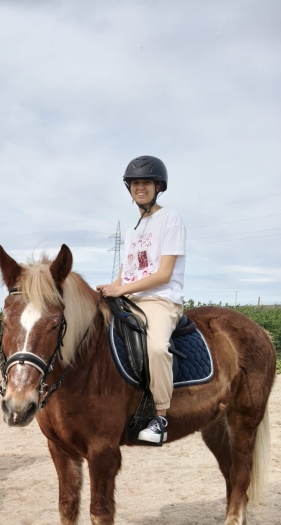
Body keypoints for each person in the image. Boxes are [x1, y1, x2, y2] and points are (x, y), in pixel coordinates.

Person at [97, 156, 186, 444]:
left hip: (161, 299)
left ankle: (160, 418)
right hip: (132, 299)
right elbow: (128, 270)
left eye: (146, 182)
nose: (140, 188)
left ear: (158, 186)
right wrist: (112, 287)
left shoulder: (170, 219)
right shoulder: (135, 229)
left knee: (158, 348)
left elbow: (164, 274)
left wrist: (122, 290)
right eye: (135, 183)